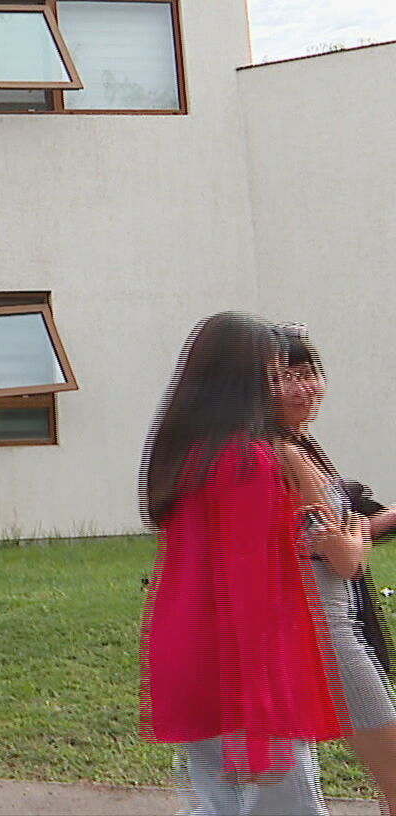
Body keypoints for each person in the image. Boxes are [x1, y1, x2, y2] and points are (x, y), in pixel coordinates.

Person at [141, 312, 345, 815]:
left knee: (217, 803)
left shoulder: (189, 453)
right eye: (274, 376)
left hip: (188, 651)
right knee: (289, 804)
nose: (281, 388)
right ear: (246, 382)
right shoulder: (247, 461)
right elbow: (251, 582)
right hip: (238, 665)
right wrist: (263, 693)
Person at [270, 323, 396, 811]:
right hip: (326, 636)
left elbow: (322, 539)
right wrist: (365, 529)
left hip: (311, 631)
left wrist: (373, 522)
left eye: (310, 373)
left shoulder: (286, 447)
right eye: (288, 377)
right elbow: (342, 558)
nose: (305, 388)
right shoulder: (286, 454)